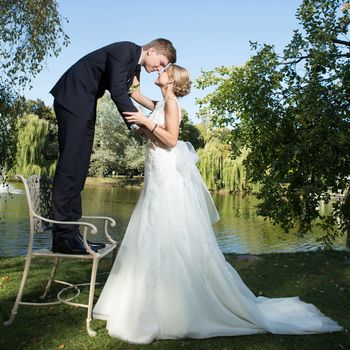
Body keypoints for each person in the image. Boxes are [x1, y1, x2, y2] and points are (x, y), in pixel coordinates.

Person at [93, 64, 343, 344]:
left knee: (168, 231)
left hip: (167, 175)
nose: (159, 72)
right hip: (156, 173)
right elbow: (138, 98)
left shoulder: (172, 103)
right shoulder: (162, 101)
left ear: (172, 80)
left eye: (164, 70)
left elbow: (172, 139)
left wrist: (147, 123)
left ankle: (174, 306)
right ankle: (145, 300)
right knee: (151, 231)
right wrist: (134, 77)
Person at [49, 38, 177, 254]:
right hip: (72, 97)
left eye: (162, 67)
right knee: (69, 164)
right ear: (152, 50)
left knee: (80, 168)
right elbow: (117, 91)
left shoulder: (134, 66)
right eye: (160, 62)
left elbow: (130, 93)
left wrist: (159, 108)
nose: (158, 68)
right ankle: (61, 236)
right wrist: (140, 127)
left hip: (86, 103)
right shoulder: (125, 51)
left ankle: (72, 235)